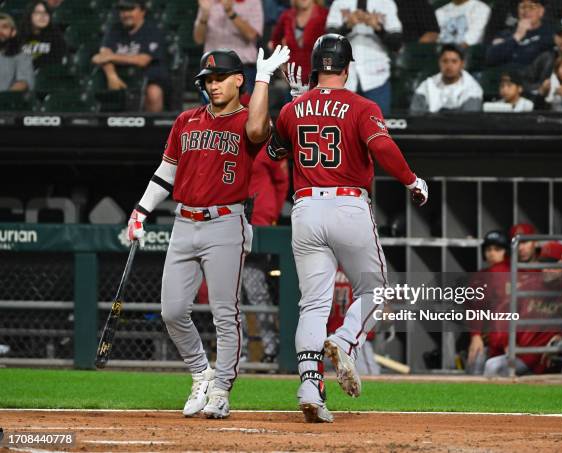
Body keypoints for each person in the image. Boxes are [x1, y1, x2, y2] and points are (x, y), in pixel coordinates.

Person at [268, 33, 428, 422]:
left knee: (313, 303)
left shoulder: (293, 108)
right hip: (347, 204)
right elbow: (383, 148)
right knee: (376, 287)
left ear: (315, 66)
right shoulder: (361, 104)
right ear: (347, 66)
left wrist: (296, 104)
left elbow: (275, 151)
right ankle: (343, 340)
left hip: (305, 207)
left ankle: (309, 384)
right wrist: (411, 181)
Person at [126, 45, 290, 419]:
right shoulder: (186, 120)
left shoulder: (248, 118)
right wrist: (140, 210)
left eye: (220, 79)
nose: (213, 86)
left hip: (225, 222)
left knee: (224, 313)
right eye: (208, 80)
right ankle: (201, 373)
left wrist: (262, 79)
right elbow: (166, 172)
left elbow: (256, 130)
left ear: (238, 81)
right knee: (172, 310)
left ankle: (221, 391)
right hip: (184, 221)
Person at [483, 240, 562, 377]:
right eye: (543, 264)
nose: (546, 269)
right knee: (492, 366)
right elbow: (503, 313)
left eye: (551, 264)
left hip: (552, 358)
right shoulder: (530, 285)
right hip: (523, 355)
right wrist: (507, 342)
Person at [240, 149, 290, 363]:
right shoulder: (232, 136)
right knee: (230, 296)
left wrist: (271, 215)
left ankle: (271, 347)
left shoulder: (270, 144)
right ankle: (238, 351)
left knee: (255, 290)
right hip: (231, 220)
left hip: (259, 221)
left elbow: (282, 182)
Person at [325, 0, 403, 115]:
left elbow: (396, 44)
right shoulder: (339, 2)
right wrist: (347, 26)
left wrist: (378, 28)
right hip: (344, 80)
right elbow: (329, 42)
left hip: (377, 78)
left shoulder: (386, 3)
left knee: (377, 130)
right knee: (344, 129)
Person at [92, 0, 168, 112]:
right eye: (123, 10)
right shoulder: (114, 29)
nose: (126, 14)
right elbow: (102, 55)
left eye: (131, 9)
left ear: (142, 11)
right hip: (119, 77)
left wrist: (111, 57)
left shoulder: (152, 31)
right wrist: (111, 75)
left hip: (147, 78)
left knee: (154, 93)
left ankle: (152, 129)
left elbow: (142, 60)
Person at [193, 0, 264, 95]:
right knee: (210, 109)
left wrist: (230, 12)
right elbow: (198, 39)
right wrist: (204, 15)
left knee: (244, 109)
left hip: (242, 68)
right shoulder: (208, 2)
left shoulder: (252, 2)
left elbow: (252, 35)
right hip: (212, 68)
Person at [466, 230, 511, 375]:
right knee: (476, 364)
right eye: (488, 249)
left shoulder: (517, 272)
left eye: (497, 249)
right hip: (489, 338)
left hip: (514, 337)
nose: (492, 253)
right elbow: (475, 308)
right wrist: (476, 335)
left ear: (506, 251)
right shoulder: (481, 276)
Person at [410, 44, 483, 113]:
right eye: (445, 61)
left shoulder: (473, 90)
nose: (449, 66)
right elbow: (416, 115)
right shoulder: (427, 85)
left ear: (462, 64)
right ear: (439, 63)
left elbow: (469, 120)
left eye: (454, 61)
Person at [269, 0, 328, 82]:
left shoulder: (325, 15)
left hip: (318, 81)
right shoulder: (287, 16)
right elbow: (275, 41)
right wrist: (282, 65)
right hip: (292, 82)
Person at [486, 0, 554, 67]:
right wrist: (517, 36)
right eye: (523, 7)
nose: (526, 11)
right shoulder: (506, 33)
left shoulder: (549, 34)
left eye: (531, 7)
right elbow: (490, 58)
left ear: (541, 11)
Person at [20, 1, 67, 70]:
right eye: (38, 13)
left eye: (46, 13)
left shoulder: (57, 37)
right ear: (30, 15)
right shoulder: (18, 35)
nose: (43, 16)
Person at [0, 13, 34, 92]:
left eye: (4, 27)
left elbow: (23, 83)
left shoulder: (22, 55)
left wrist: (3, 98)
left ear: (13, 32)